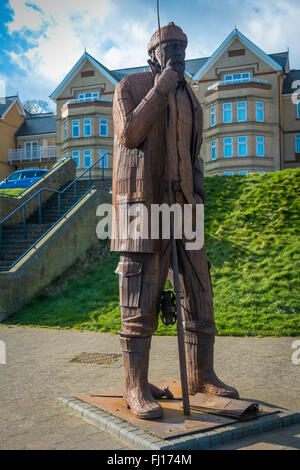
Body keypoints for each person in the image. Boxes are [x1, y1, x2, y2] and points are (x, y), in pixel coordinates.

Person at [111, 22, 239, 420]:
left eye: (182, 45)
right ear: (154, 54)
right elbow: (129, 134)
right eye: (170, 46)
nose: (179, 52)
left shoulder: (192, 99)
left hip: (185, 208)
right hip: (141, 210)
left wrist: (198, 191)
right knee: (140, 297)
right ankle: (135, 384)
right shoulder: (130, 87)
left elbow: (193, 151)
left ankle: (202, 375)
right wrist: (161, 87)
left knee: (200, 294)